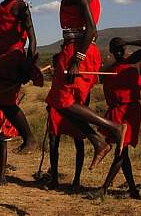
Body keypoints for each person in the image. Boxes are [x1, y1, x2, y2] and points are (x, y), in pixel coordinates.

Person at [45, 0, 124, 170]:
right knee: (58, 103)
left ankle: (113, 128)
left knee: (63, 102)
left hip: (79, 50)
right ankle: (98, 140)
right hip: (75, 49)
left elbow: (91, 28)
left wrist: (76, 60)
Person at [86, 38, 141, 200]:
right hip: (116, 111)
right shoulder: (110, 70)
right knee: (123, 152)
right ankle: (133, 190)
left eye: (120, 49)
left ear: (126, 49)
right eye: (115, 49)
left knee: (121, 151)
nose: (118, 52)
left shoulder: (133, 61)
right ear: (110, 51)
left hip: (130, 111)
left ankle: (103, 189)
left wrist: (128, 42)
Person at [0, 0, 42, 154]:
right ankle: (27, 138)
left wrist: (28, 64)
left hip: (13, 58)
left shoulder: (20, 6)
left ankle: (30, 138)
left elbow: (32, 39)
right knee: (2, 101)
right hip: (0, 59)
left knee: (8, 101)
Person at [45, 53, 85, 191]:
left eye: (58, 64)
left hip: (74, 108)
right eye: (55, 64)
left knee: (78, 141)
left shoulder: (75, 73)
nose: (56, 67)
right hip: (56, 109)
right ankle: (54, 178)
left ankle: (77, 180)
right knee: (53, 142)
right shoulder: (56, 77)